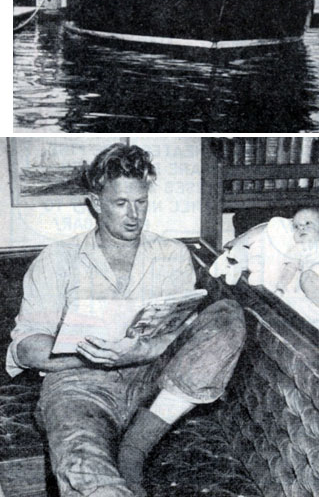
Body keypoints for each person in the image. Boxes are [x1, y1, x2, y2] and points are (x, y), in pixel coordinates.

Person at [7, 143, 246, 497]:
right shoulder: (58, 258)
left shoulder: (171, 254)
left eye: (141, 202)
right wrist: (89, 356)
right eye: (121, 203)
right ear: (96, 202)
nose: (134, 214)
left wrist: (139, 352)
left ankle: (134, 449)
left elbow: (181, 333)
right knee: (82, 465)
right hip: (78, 385)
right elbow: (27, 347)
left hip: (156, 377)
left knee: (228, 316)